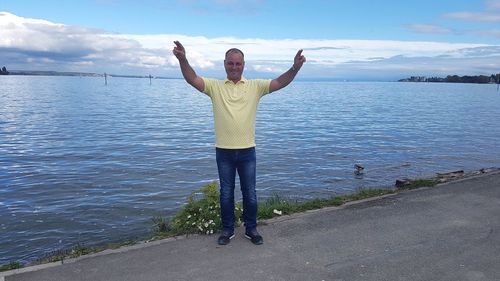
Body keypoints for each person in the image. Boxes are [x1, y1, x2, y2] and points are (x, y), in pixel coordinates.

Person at [172, 41, 305, 245]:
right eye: (231, 63)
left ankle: (251, 229)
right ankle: (227, 230)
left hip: (247, 151)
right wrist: (183, 59)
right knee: (226, 194)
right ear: (224, 64)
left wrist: (295, 68)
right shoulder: (214, 87)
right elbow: (192, 78)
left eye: (238, 63)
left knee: (250, 194)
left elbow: (280, 82)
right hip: (223, 151)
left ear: (244, 65)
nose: (234, 67)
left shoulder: (255, 87)